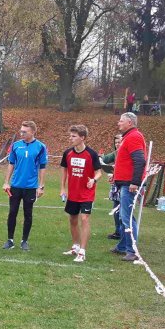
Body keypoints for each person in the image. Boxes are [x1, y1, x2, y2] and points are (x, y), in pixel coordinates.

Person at [59, 125, 103, 263]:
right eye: (70, 136)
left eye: (74, 136)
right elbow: (64, 170)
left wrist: (93, 180)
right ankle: (75, 246)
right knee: (73, 220)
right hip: (73, 194)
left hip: (87, 194)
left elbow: (99, 172)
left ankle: (82, 252)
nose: (70, 138)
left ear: (82, 137)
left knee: (84, 218)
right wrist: (62, 188)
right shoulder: (67, 153)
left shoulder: (92, 154)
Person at [2, 120, 47, 251]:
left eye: (24, 132)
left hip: (31, 187)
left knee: (28, 214)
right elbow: (11, 164)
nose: (21, 134)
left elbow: (42, 167)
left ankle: (24, 241)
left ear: (32, 132)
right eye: (21, 131)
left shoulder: (40, 147)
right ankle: (10, 240)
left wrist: (41, 186)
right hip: (15, 186)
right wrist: (6, 182)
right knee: (12, 212)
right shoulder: (16, 146)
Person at [112, 112, 146, 262]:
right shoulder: (128, 137)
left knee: (127, 217)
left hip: (129, 184)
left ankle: (132, 250)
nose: (118, 123)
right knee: (123, 216)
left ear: (130, 123)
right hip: (124, 182)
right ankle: (122, 246)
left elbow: (139, 161)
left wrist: (135, 182)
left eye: (121, 121)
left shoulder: (134, 137)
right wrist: (116, 176)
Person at [102, 133, 122, 240]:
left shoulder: (128, 154)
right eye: (116, 142)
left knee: (124, 210)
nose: (117, 144)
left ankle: (125, 232)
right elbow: (103, 160)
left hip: (125, 185)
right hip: (116, 185)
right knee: (116, 208)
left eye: (119, 142)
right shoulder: (115, 154)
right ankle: (118, 232)